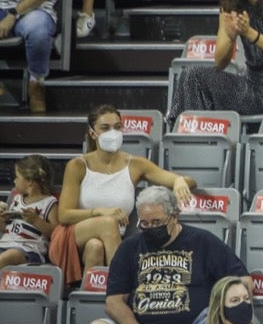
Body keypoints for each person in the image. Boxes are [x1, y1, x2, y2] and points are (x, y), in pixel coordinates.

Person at [85, 186, 249, 324]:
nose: (150, 228)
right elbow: (113, 301)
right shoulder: (129, 247)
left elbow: (243, 280)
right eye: (144, 223)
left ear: (174, 217)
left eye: (157, 222)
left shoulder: (202, 241)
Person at [58, 104, 196, 271]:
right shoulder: (77, 165)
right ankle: (124, 282)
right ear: (92, 133)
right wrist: (99, 212)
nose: (113, 133)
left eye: (117, 127)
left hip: (108, 240)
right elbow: (64, 215)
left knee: (95, 247)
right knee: (108, 223)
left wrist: (180, 180)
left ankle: (91, 294)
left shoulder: (135, 164)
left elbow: (188, 181)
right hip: (75, 234)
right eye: (105, 128)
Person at [0, 155, 57, 270]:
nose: (14, 180)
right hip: (5, 244)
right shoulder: (16, 199)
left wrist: (36, 221)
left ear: (30, 181)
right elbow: (5, 230)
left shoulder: (49, 202)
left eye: (17, 177)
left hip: (29, 248)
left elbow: (57, 232)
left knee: (1, 261)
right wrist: (2, 220)